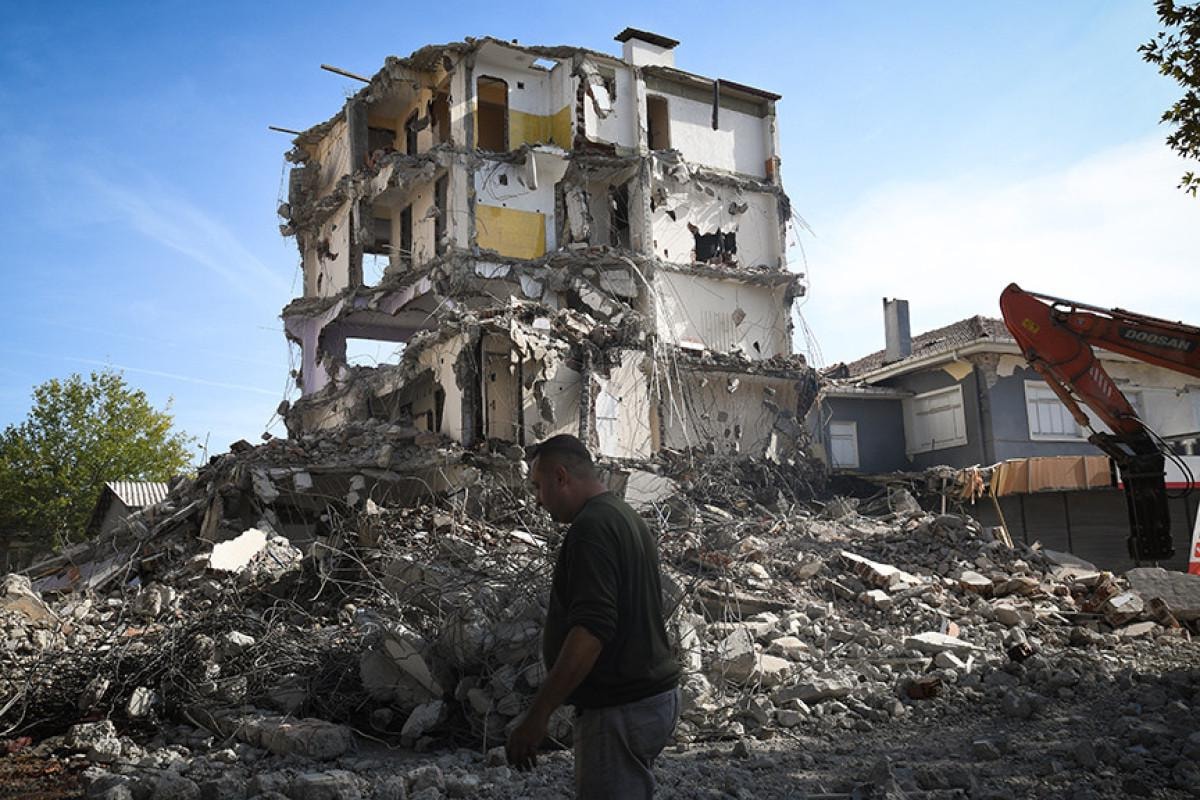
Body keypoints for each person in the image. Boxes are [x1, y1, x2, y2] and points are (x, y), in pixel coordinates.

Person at [506, 434, 680, 799]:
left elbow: (591, 631)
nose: (537, 500)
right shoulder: (623, 516)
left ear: (561, 477)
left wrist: (539, 715)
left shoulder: (591, 529)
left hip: (620, 708)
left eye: (538, 487)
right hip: (649, 699)